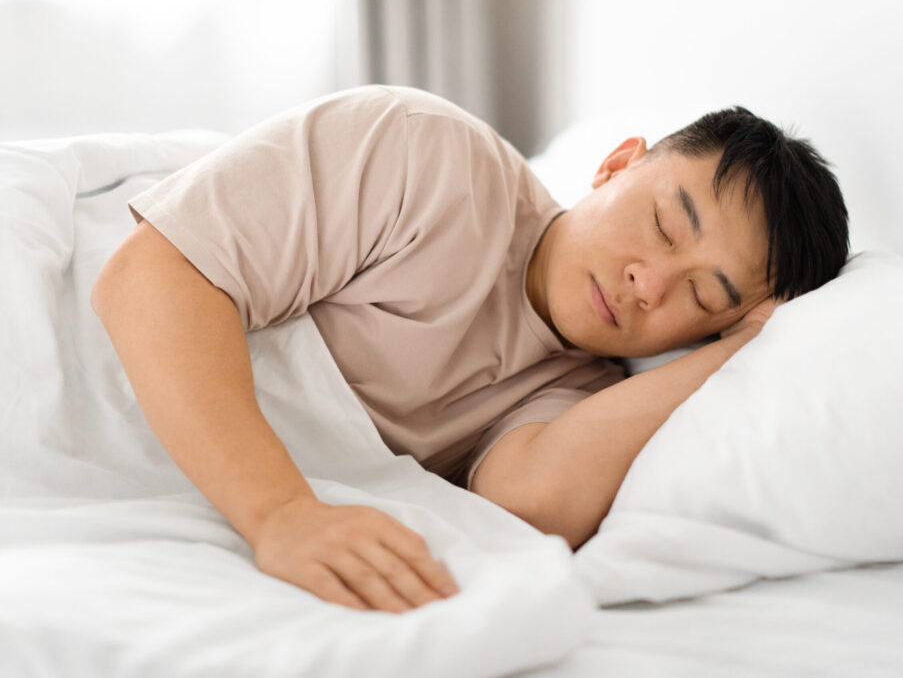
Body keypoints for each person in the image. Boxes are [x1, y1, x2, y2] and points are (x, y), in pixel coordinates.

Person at [91, 85, 849, 615]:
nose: (647, 283)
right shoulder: (424, 153)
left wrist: (732, 354)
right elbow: (150, 276)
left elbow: (530, 502)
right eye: (662, 224)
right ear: (617, 164)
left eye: (702, 298)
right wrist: (280, 511)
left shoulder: (584, 395)